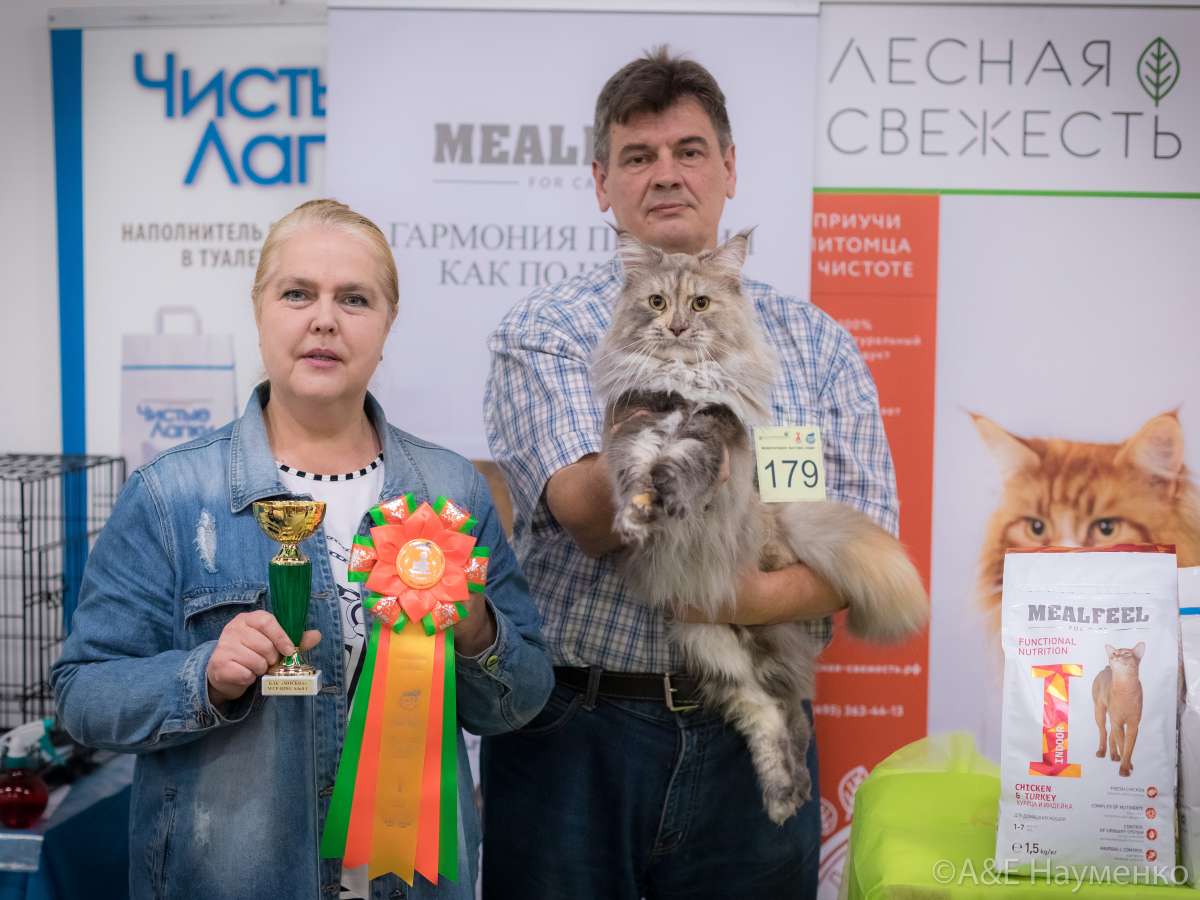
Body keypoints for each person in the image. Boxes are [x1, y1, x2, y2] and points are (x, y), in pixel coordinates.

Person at [481, 48, 898, 899]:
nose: (666, 173)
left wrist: (735, 598)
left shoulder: (815, 343)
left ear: (729, 168)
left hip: (751, 729)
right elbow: (591, 516)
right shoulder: (548, 329)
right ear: (601, 182)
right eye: (638, 156)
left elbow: (859, 541)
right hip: (578, 732)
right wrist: (689, 435)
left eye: (690, 151)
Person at [51, 199, 554, 900]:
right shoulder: (171, 495)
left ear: (387, 324)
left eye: (355, 298)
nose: (324, 319)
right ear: (259, 310)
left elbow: (518, 703)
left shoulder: (452, 491)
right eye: (297, 294)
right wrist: (202, 676)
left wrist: (473, 625)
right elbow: (82, 695)